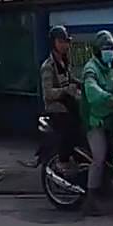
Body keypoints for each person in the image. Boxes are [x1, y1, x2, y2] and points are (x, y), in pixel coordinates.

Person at [81, 30, 113, 216]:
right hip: (94, 121)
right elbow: (93, 92)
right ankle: (90, 200)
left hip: (109, 118)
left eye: (112, 49)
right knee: (99, 157)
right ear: (98, 51)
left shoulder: (107, 68)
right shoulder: (91, 69)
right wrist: (112, 99)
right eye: (106, 49)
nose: (110, 52)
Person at [40, 26, 81, 165]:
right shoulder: (48, 66)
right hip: (56, 108)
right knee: (72, 127)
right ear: (53, 43)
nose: (64, 45)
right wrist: (65, 90)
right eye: (60, 42)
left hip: (69, 104)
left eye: (66, 42)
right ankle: (64, 161)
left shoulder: (64, 62)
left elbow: (71, 79)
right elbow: (48, 93)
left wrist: (84, 83)